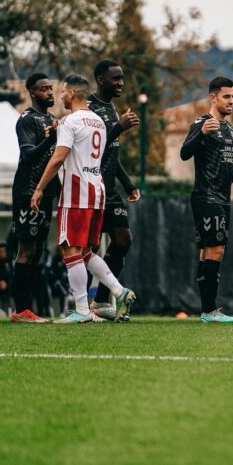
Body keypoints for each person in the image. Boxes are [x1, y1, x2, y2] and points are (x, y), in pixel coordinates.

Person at [31, 74, 136, 324]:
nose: (61, 96)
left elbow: (59, 158)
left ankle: (81, 310)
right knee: (86, 251)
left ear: (72, 93)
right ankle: (120, 292)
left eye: (64, 92)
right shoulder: (98, 121)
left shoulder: (69, 121)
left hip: (76, 192)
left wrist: (39, 188)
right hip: (97, 191)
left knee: (69, 248)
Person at [180, 76, 233, 323]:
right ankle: (209, 311)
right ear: (213, 98)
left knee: (209, 253)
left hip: (223, 199)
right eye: (226, 96)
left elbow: (229, 165)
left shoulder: (230, 130)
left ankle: (207, 311)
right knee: (216, 250)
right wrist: (200, 133)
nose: (231, 101)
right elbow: (184, 153)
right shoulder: (202, 123)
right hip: (206, 197)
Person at [87, 60, 140, 320]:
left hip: (110, 190)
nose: (120, 82)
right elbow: (93, 147)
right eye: (115, 78)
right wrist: (119, 125)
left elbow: (111, 154)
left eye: (122, 78)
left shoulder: (111, 107)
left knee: (123, 240)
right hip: (90, 188)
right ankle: (81, 307)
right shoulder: (89, 109)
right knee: (89, 248)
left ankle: (100, 301)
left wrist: (128, 183)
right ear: (100, 80)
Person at [10, 73, 58, 323]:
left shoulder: (52, 119)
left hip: (46, 191)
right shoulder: (26, 120)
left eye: (51, 88)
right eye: (44, 89)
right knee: (26, 249)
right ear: (32, 92)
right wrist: (49, 139)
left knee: (38, 249)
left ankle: (30, 309)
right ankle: (21, 310)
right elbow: (28, 155)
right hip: (28, 191)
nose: (49, 92)